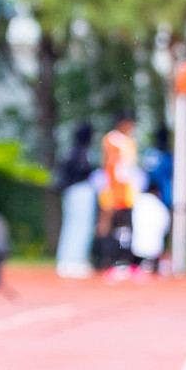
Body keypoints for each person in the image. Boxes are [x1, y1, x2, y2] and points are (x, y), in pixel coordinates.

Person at [98, 112, 140, 279]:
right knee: (113, 228)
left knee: (126, 229)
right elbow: (110, 167)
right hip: (115, 193)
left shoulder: (129, 142)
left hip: (128, 194)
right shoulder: (112, 140)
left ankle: (126, 262)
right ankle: (111, 262)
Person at [54, 124, 96, 279]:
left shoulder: (69, 152)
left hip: (69, 192)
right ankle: (74, 261)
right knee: (81, 227)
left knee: (71, 226)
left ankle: (68, 259)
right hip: (80, 191)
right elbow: (83, 171)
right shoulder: (82, 153)